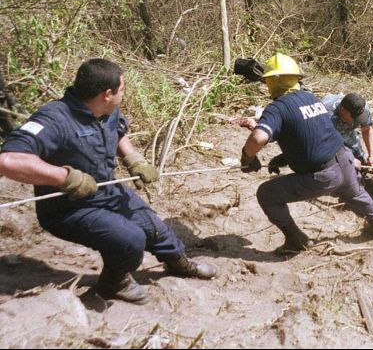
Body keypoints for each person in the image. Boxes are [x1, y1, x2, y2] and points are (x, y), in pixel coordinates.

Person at [0, 59, 217, 305]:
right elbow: (9, 161)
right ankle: (114, 283)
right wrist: (65, 178)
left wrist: (134, 159)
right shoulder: (54, 119)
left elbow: (119, 133)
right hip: (69, 208)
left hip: (107, 192)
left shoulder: (107, 110)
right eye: (122, 90)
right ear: (107, 94)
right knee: (130, 240)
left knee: (156, 229)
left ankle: (180, 263)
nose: (123, 95)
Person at [237, 53, 373, 254]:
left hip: (323, 176)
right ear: (296, 77)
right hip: (345, 160)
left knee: (266, 193)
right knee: (356, 194)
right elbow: (311, 137)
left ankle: (296, 239)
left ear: (271, 81)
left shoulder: (278, 108)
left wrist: (247, 157)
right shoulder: (311, 98)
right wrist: (282, 159)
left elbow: (258, 139)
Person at [321, 92, 373, 168]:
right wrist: (348, 159)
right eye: (355, 118)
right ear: (343, 110)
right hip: (326, 139)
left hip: (347, 132)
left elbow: (366, 130)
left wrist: (371, 156)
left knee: (360, 159)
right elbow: (323, 144)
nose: (357, 122)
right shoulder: (326, 114)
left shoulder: (362, 108)